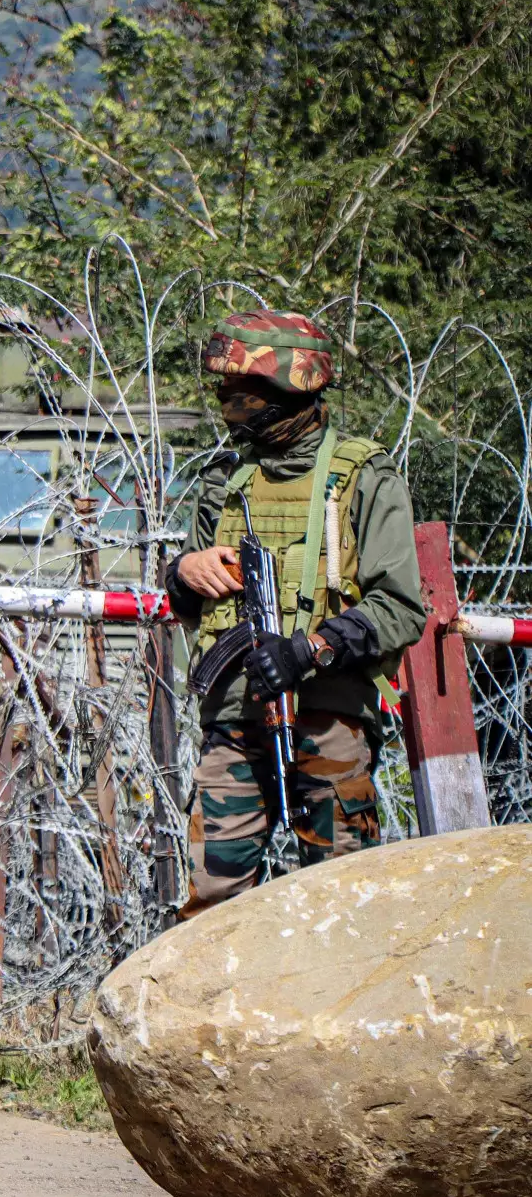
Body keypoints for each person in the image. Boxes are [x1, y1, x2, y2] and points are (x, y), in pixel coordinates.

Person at [162, 310, 424, 909]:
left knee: (338, 904)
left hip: (329, 722)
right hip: (233, 721)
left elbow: (403, 606)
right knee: (212, 903)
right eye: (228, 394)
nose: (232, 406)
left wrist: (309, 649)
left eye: (245, 394)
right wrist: (183, 572)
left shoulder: (362, 476)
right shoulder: (224, 481)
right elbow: (184, 592)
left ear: (288, 391)